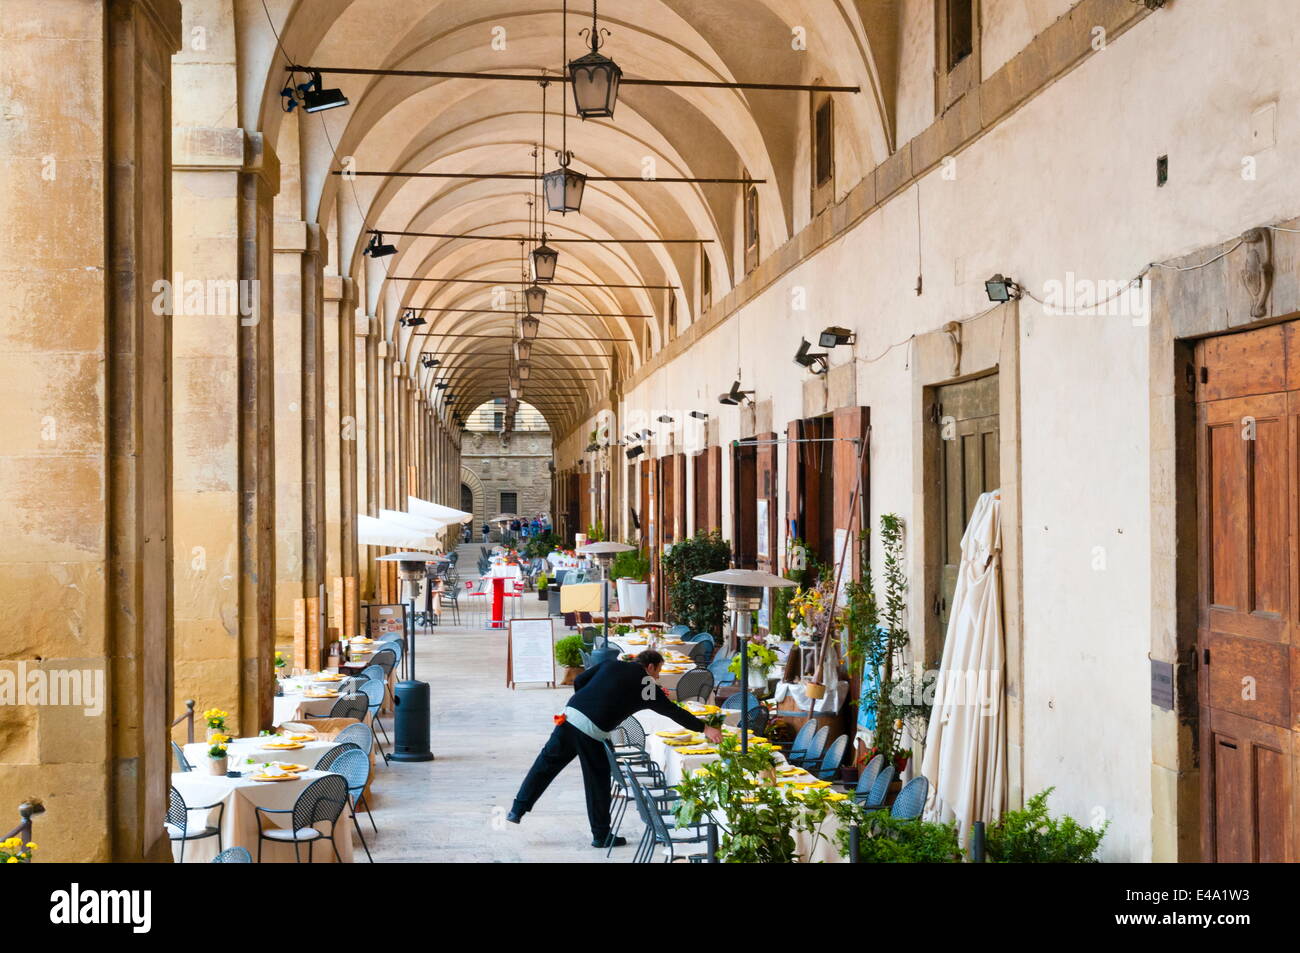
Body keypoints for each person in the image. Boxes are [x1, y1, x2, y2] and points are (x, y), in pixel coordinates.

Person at [507, 650, 723, 848]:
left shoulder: (612, 664)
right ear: (650, 667)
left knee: (545, 765)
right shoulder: (646, 685)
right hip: (591, 731)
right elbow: (673, 712)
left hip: (569, 715)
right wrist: (705, 728)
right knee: (597, 782)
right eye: (658, 671)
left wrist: (590, 702)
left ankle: (518, 808)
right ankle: (601, 835)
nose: (657, 678)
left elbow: (581, 679)